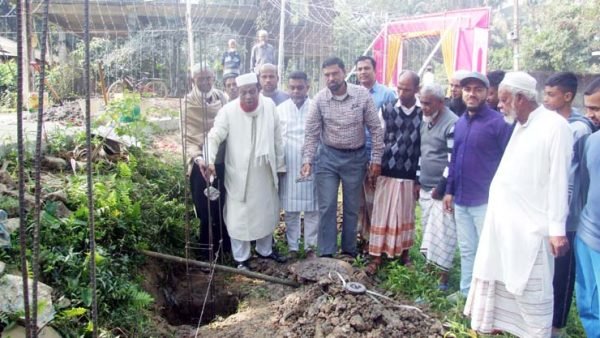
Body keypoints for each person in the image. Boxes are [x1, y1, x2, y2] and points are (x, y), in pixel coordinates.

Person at [464, 71, 573, 337]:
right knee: (499, 286)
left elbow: (559, 180)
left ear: (521, 99)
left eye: (503, 100)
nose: (498, 105)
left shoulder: (555, 127)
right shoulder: (521, 125)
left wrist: (557, 229)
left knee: (531, 294)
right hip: (503, 227)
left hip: (531, 229)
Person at [300, 56, 384, 258]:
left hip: (355, 159)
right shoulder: (320, 99)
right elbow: (311, 133)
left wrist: (376, 160)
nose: (331, 78)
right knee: (327, 205)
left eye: (334, 73)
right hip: (327, 158)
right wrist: (307, 160)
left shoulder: (362, 95)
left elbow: (376, 129)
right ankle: (327, 252)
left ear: (345, 72)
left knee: (351, 206)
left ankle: (348, 250)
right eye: (327, 75)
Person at [204, 72, 286, 270]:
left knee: (265, 211)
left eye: (251, 91)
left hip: (264, 170)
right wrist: (208, 159)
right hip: (238, 172)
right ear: (237, 93)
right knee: (239, 216)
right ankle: (241, 258)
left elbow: (277, 139)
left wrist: (280, 165)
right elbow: (214, 136)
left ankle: (265, 250)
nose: (248, 96)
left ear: (259, 90)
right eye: (243, 93)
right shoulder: (228, 111)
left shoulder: (269, 106)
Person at [443, 71, 513, 300]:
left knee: (489, 252)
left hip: (486, 201)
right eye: (467, 89)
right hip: (462, 198)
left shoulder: (499, 123)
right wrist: (449, 190)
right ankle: (466, 292)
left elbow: (509, 162)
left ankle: (488, 299)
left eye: (477, 89)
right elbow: (454, 159)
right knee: (467, 249)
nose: (471, 94)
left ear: (486, 93)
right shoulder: (461, 122)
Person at [543, 71, 595, 336]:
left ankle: (558, 326)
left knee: (563, 274)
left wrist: (563, 218)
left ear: (567, 96)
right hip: (551, 213)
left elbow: (574, 177)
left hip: (571, 218)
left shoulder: (578, 128)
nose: (546, 99)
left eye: (551, 95)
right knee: (549, 272)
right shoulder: (548, 123)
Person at [365, 70, 421, 274]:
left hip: (409, 173)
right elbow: (378, 140)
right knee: (381, 213)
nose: (402, 92)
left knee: (405, 214)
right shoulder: (387, 109)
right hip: (387, 170)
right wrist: (375, 164)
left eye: (407, 89)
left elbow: (424, 145)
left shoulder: (423, 113)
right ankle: (376, 257)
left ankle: (404, 255)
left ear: (417, 89)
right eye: (399, 88)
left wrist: (418, 178)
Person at [184, 62, 231, 260]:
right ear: (193, 80)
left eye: (208, 78)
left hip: (222, 161)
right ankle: (205, 251)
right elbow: (188, 137)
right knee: (203, 208)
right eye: (200, 78)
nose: (205, 82)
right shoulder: (187, 104)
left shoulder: (222, 98)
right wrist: (200, 159)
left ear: (214, 78)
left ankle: (225, 250)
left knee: (223, 205)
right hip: (199, 164)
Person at [417, 83, 458, 290]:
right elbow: (422, 153)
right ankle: (429, 273)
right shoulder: (425, 120)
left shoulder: (452, 123)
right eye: (421, 102)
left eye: (427, 103)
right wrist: (418, 179)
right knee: (428, 234)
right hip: (425, 187)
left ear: (440, 103)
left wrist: (440, 188)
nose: (423, 107)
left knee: (442, 237)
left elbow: (453, 161)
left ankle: (442, 279)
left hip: (440, 191)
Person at [354, 55, 396, 250]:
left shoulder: (386, 95)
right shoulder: (352, 93)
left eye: (366, 68)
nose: (363, 72)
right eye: (359, 69)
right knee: (358, 200)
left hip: (376, 155)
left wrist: (378, 159)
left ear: (374, 70)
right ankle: (362, 238)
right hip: (355, 154)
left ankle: (377, 242)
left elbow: (392, 129)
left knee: (375, 200)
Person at [278, 71, 319, 259]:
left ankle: (311, 247)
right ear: (288, 88)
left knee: (312, 208)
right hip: (289, 164)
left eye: (300, 87)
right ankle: (293, 247)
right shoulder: (281, 109)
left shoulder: (316, 107)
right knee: (291, 209)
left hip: (311, 163)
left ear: (307, 87)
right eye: (292, 87)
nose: (296, 91)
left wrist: (310, 158)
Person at [574, 77, 600, 337]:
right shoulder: (592, 141)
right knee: (589, 304)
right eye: (588, 107)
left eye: (596, 109)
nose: (589, 115)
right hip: (587, 234)